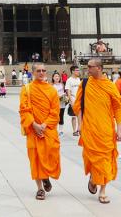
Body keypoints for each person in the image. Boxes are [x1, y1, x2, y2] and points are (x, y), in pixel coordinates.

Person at [73, 57, 121, 204]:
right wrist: (80, 125)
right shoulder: (85, 83)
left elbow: (119, 107)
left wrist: (119, 129)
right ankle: (94, 178)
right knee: (93, 159)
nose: (87, 69)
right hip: (90, 128)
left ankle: (102, 190)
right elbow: (78, 106)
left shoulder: (109, 86)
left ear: (99, 68)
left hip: (106, 130)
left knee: (105, 160)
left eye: (90, 67)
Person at [20, 63, 60, 201]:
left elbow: (55, 112)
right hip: (33, 130)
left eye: (43, 70)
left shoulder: (52, 91)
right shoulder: (27, 89)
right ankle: (40, 189)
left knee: (51, 155)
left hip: (47, 129)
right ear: (32, 73)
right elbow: (24, 109)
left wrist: (43, 125)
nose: (41, 73)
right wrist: (34, 124)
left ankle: (45, 176)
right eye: (38, 71)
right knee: (36, 158)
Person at [65, 65, 81, 136]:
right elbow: (68, 91)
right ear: (73, 71)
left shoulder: (78, 79)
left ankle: (79, 129)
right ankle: (74, 131)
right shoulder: (69, 80)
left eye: (78, 70)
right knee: (74, 116)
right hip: (73, 99)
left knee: (79, 116)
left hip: (79, 99)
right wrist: (70, 101)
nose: (78, 71)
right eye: (77, 70)